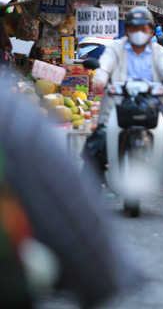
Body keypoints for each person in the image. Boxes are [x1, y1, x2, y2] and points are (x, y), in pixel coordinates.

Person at [0, 83, 144, 308]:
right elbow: (84, 238)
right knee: (96, 148)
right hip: (114, 114)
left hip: (146, 107)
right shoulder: (11, 115)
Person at [91, 7, 163, 137]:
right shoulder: (115, 47)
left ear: (151, 32)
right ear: (127, 30)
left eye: (143, 29)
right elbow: (105, 66)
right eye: (134, 28)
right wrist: (100, 79)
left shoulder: (159, 51)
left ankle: (162, 156)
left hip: (152, 100)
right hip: (119, 99)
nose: (139, 32)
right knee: (100, 134)